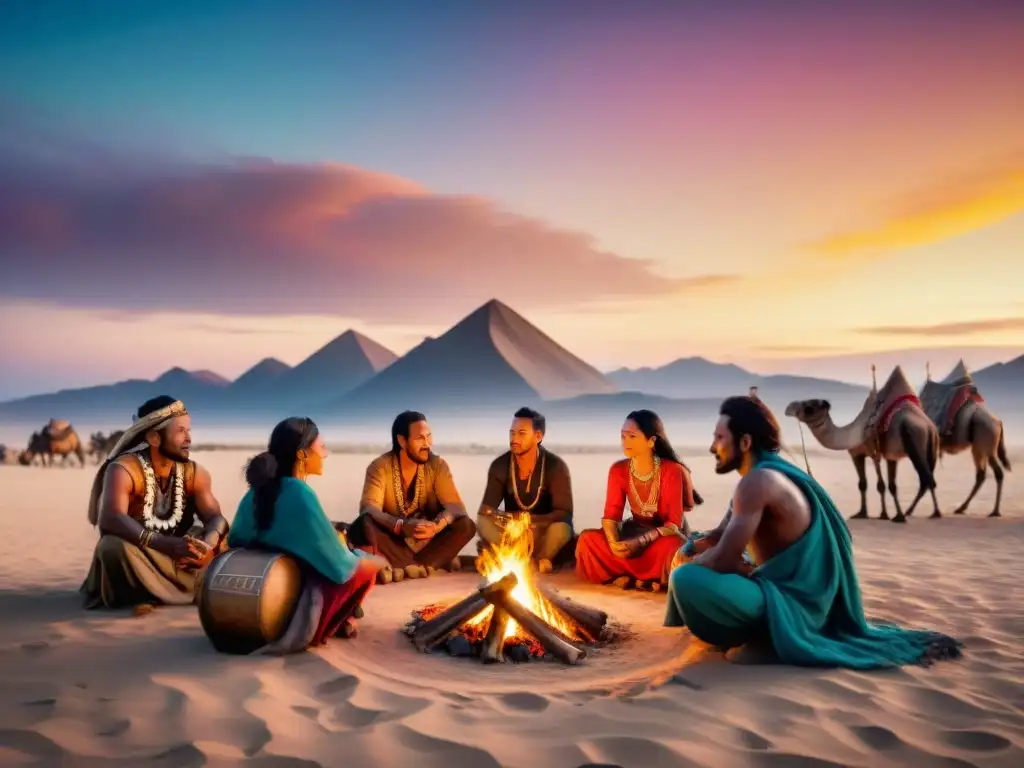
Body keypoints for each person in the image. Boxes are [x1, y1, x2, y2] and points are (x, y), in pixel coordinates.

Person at [665, 395, 962, 668]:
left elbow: (722, 560)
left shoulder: (758, 482)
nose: (712, 447)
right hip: (781, 589)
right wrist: (690, 549)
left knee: (686, 578)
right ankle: (753, 630)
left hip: (793, 603)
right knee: (689, 552)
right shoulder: (758, 478)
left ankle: (770, 641)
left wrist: (691, 564)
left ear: (744, 442)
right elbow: (720, 535)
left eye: (719, 438)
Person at [228, 417, 388, 647]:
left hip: (258, 595)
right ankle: (335, 622)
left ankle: (347, 617)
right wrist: (368, 560)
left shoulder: (256, 492)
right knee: (364, 568)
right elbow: (339, 568)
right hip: (288, 605)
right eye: (321, 447)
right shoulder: (300, 493)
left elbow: (236, 539)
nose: (325, 454)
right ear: (302, 454)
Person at [81, 396, 229, 609]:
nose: (188, 439)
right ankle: (158, 592)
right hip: (141, 554)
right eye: (180, 431)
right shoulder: (123, 469)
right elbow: (110, 519)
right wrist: (164, 544)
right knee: (111, 548)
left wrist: (208, 545)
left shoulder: (195, 473)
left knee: (221, 538)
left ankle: (164, 590)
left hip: (179, 555)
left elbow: (215, 517)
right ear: (154, 438)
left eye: (189, 431)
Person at [347, 411, 476, 581]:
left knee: (465, 525)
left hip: (428, 541)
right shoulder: (380, 467)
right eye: (419, 439)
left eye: (428, 437)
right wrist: (400, 526)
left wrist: (437, 525)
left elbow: (455, 506)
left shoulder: (437, 465)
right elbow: (369, 507)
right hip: (395, 541)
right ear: (402, 441)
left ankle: (404, 567)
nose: (427, 444)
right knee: (364, 522)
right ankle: (428, 565)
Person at [575, 410, 698, 588]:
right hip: (632, 531)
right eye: (623, 436)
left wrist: (640, 542)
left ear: (651, 441)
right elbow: (611, 515)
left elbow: (673, 524)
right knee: (587, 540)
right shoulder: (618, 469)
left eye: (632, 436)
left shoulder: (672, 470)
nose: (625, 442)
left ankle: (634, 577)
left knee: (674, 548)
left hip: (662, 536)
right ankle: (636, 578)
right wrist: (614, 543)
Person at [477, 407, 574, 573]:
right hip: (512, 534)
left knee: (561, 530)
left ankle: (532, 561)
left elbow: (564, 513)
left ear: (538, 436)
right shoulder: (500, 465)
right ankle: (522, 561)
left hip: (543, 531)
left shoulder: (555, 466)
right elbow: (486, 509)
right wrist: (509, 520)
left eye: (521, 433)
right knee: (483, 523)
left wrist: (530, 521)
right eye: (512, 433)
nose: (514, 438)